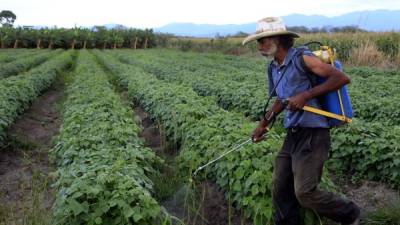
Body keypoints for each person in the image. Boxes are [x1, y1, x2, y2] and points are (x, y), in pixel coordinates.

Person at [242, 17, 361, 225]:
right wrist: (263, 125)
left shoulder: (301, 58)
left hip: (314, 132)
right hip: (294, 133)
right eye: (258, 41)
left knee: (305, 192)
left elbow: (341, 78)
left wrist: (305, 96)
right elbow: (280, 100)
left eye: (262, 40)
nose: (259, 45)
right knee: (280, 185)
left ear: (277, 39)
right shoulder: (273, 68)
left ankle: (350, 214)